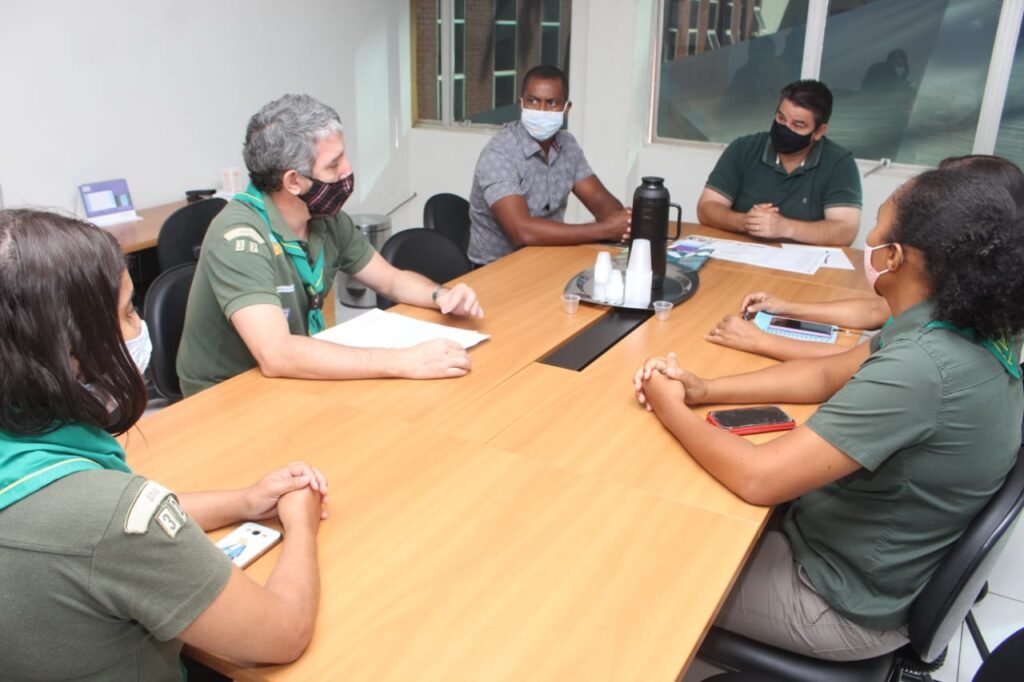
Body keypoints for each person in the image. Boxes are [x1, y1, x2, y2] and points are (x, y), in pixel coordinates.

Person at [634, 167, 1024, 661]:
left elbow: (759, 478)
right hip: (855, 553)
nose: (869, 241)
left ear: (895, 257)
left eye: (877, 228)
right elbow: (825, 375)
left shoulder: (924, 368)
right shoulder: (953, 322)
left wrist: (669, 407)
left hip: (835, 602)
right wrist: (704, 388)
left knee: (642, 562)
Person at [0, 210, 328, 679]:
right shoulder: (112, 518)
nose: (138, 327)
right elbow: (281, 634)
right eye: (127, 312)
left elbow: (82, 529)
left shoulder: (29, 458)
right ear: (69, 350)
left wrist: (244, 501)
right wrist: (300, 525)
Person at [177, 94, 484, 397]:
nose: (347, 170)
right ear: (293, 181)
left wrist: (441, 296)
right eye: (334, 164)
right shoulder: (239, 238)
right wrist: (403, 361)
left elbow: (390, 279)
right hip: (224, 395)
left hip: (287, 377)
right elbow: (276, 354)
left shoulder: (326, 219)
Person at [707, 155, 1024, 361]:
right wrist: (785, 306)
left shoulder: (952, 321)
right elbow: (875, 311)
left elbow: (859, 365)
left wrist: (761, 341)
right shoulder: (958, 285)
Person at [467, 64, 631, 266]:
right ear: (521, 104)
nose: (541, 110)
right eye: (533, 101)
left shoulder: (567, 145)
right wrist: (606, 229)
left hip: (548, 256)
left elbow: (598, 199)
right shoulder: (499, 153)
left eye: (552, 102)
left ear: (566, 109)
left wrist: (622, 221)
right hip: (495, 269)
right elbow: (521, 231)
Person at [696, 80, 862, 246]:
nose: (785, 128)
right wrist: (745, 221)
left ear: (819, 131)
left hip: (803, 259)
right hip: (741, 253)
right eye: (781, 118)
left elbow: (845, 231)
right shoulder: (743, 148)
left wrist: (785, 228)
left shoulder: (839, 163)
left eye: (798, 125)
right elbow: (706, 208)